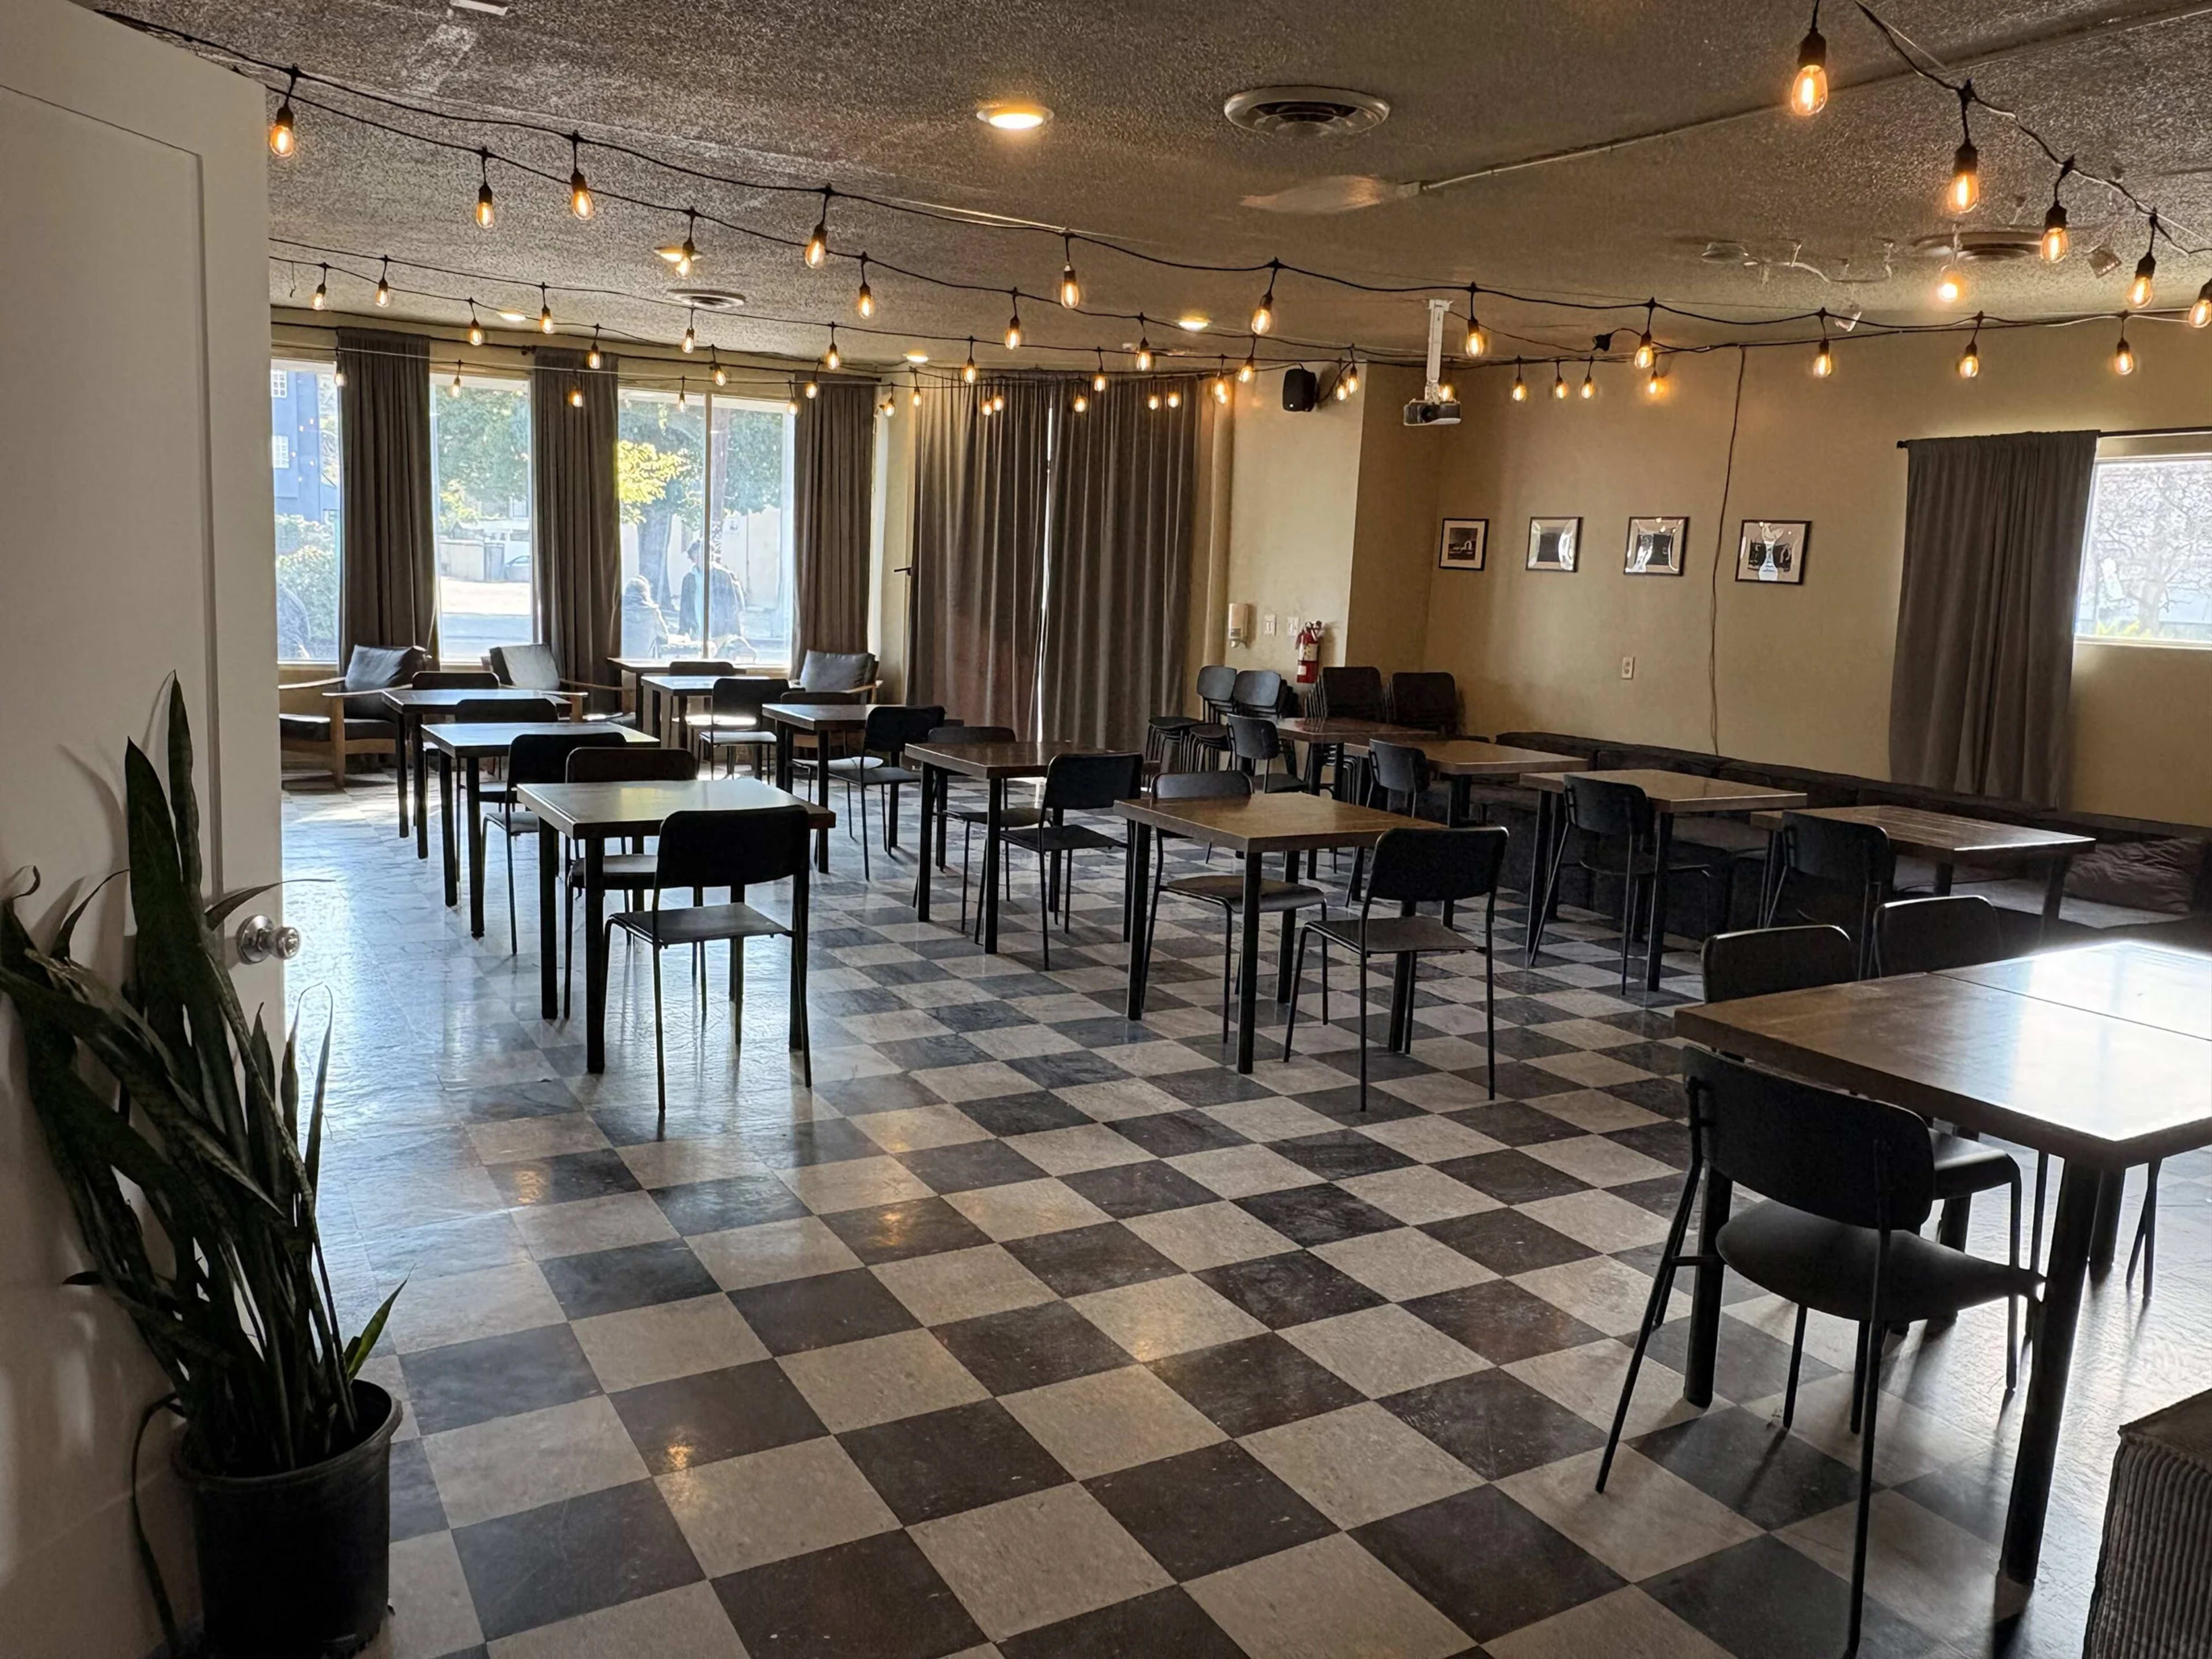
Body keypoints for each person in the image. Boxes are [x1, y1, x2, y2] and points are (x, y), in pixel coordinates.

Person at [677, 539, 744, 649]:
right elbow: (685, 608)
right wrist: (683, 631)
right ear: (693, 556)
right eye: (698, 553)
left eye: (707, 552)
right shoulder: (689, 578)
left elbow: (732, 606)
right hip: (697, 629)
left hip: (719, 631)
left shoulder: (723, 576)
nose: (702, 556)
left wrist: (735, 632)